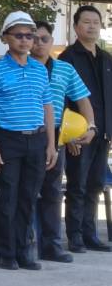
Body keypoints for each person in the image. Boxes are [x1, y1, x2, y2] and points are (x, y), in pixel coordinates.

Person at [0, 11, 58, 270]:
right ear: (5, 38)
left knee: (28, 197)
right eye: (19, 35)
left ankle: (24, 251)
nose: (25, 40)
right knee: (7, 197)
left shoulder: (40, 69)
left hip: (36, 139)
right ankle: (7, 253)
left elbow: (47, 107)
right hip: (7, 139)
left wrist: (51, 144)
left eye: (29, 35)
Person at [32, 22, 93, 263]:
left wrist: (90, 127)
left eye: (44, 39)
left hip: (56, 134)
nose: (39, 43)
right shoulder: (20, 67)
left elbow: (82, 99)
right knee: (25, 192)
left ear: (52, 41)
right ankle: (23, 246)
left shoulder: (65, 69)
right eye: (34, 38)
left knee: (52, 191)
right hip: (24, 133)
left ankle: (52, 245)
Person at [60, 5, 112, 253]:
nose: (92, 26)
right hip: (78, 134)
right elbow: (61, 99)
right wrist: (67, 135)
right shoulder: (67, 58)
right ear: (76, 26)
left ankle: (90, 235)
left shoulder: (106, 58)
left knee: (95, 185)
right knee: (77, 185)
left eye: (96, 22)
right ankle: (75, 236)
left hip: (102, 133)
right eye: (87, 22)